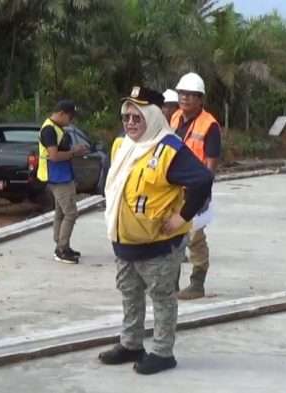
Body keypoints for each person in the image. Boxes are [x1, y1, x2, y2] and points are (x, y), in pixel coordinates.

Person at [98, 86, 213, 375]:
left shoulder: (169, 149)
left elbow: (201, 180)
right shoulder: (121, 146)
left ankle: (163, 352)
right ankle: (131, 343)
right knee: (129, 294)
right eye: (126, 117)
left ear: (152, 117)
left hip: (159, 246)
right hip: (125, 243)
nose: (131, 123)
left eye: (138, 118)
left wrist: (181, 217)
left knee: (162, 297)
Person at [169, 72, 221, 300]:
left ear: (201, 99)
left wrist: (203, 194)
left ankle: (197, 284)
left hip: (195, 190)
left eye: (191, 95)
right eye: (182, 94)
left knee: (195, 237)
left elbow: (211, 163)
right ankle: (170, 284)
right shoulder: (175, 118)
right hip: (173, 189)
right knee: (171, 236)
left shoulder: (209, 125)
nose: (185, 98)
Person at [37, 100, 89, 264]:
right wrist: (74, 152)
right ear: (61, 114)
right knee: (71, 213)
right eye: (70, 117)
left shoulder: (56, 128)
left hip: (63, 176)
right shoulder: (49, 130)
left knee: (61, 212)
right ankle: (61, 249)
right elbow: (54, 156)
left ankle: (62, 245)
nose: (71, 121)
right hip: (57, 177)